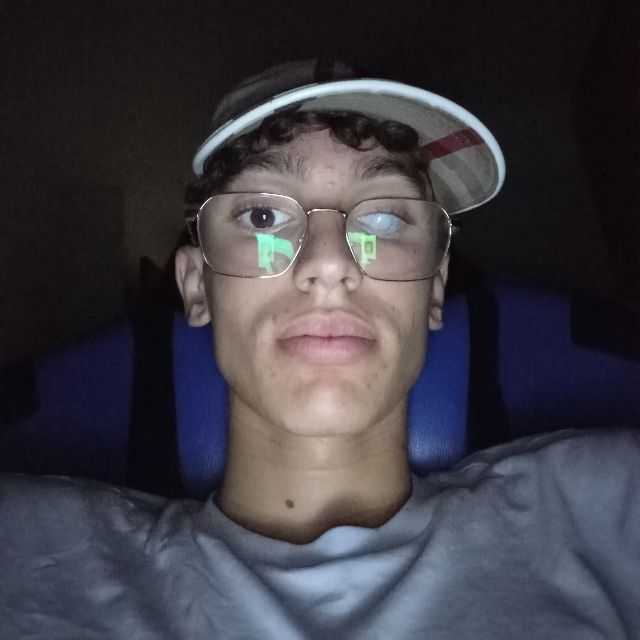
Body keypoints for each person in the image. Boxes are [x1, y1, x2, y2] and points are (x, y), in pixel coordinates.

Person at [1, 59, 639, 639]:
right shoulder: (28, 548)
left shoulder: (604, 510)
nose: (330, 263)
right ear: (196, 285)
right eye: (263, 217)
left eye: (384, 218)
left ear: (435, 287)